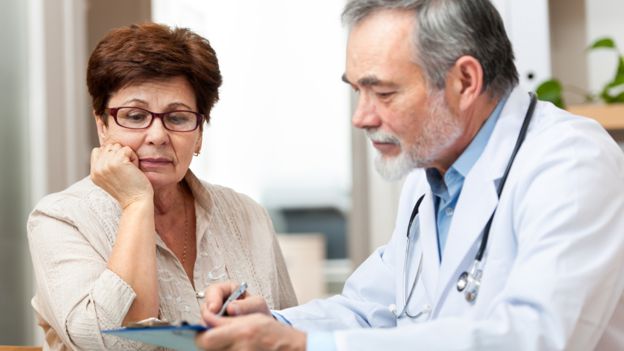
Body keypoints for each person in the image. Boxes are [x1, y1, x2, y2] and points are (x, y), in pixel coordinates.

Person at [195, 0, 624, 350]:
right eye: (356, 91)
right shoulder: (429, 174)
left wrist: (302, 345)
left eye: (383, 92)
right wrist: (271, 322)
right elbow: (370, 309)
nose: (361, 117)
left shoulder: (571, 162)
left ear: (465, 80)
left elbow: (538, 337)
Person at [27, 23, 297, 350]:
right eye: (135, 116)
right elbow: (112, 344)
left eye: (178, 118)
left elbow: (290, 336)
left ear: (198, 134)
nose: (157, 135)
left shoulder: (248, 215)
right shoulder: (60, 219)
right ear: (102, 126)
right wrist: (136, 203)